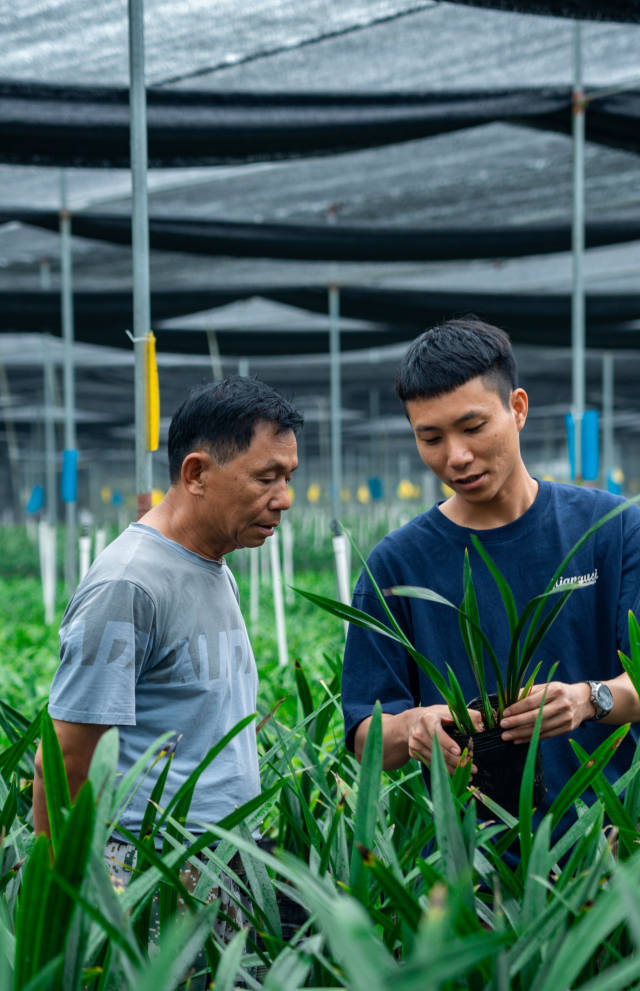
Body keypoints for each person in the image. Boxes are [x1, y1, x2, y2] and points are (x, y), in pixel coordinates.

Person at [33, 375, 302, 945]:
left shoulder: (211, 560)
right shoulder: (130, 583)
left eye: (288, 477)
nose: (284, 498)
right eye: (266, 477)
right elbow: (64, 763)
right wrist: (62, 915)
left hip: (220, 859)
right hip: (151, 874)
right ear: (197, 473)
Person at [342, 317, 640, 829]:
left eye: (473, 427)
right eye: (430, 437)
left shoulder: (612, 529)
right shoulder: (395, 564)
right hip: (467, 862)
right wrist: (412, 727)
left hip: (607, 851)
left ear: (517, 408)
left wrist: (591, 699)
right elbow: (364, 734)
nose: (456, 457)